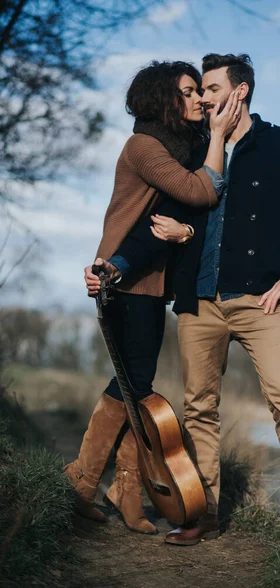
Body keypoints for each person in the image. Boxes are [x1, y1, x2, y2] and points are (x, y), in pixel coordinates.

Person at [88, 53, 280, 545]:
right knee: (199, 408)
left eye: (209, 89)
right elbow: (154, 227)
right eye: (199, 91)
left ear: (239, 92)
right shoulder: (193, 154)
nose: (202, 98)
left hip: (261, 302)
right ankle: (201, 513)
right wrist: (117, 264)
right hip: (198, 302)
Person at [66, 60, 241, 534]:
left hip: (144, 277)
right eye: (187, 92)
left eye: (198, 92)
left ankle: (123, 487)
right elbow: (198, 191)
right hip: (122, 274)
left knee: (137, 383)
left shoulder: (179, 147)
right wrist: (220, 137)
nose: (197, 100)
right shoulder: (145, 146)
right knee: (132, 382)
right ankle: (84, 480)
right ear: (163, 98)